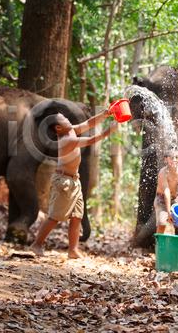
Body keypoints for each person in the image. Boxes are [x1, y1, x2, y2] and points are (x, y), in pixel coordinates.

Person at [30, 110, 118, 258]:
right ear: (58, 128)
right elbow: (90, 140)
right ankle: (36, 244)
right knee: (55, 216)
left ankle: (73, 250)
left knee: (77, 216)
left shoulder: (71, 130)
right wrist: (109, 130)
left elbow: (88, 123)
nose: (67, 119)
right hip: (63, 182)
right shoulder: (65, 140)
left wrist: (104, 114)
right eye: (63, 119)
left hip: (74, 181)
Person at [154, 145, 178, 237]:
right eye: (171, 158)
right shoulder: (163, 172)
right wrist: (168, 211)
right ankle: (159, 244)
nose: (174, 160)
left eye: (176, 157)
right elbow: (166, 191)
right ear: (166, 159)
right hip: (161, 200)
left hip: (176, 199)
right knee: (162, 224)